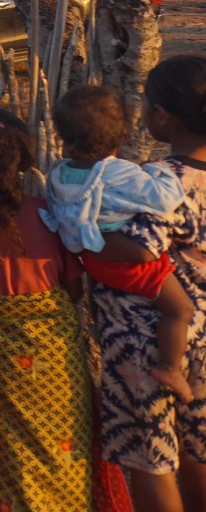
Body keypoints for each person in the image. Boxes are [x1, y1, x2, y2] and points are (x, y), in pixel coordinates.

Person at [0, 108, 123, 512]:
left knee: (7, 466)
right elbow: (73, 291)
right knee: (65, 459)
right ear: (24, 159)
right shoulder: (51, 216)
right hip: (59, 372)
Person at [97, 55, 206, 512]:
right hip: (202, 333)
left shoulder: (158, 181)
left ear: (163, 115)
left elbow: (141, 249)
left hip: (146, 341)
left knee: (151, 458)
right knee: (198, 447)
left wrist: (85, 242)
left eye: (144, 104)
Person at [42, 84, 193, 399]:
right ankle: (169, 367)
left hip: (93, 262)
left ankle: (102, 327)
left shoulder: (60, 174)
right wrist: (159, 170)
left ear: (66, 138)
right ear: (121, 136)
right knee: (180, 311)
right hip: (130, 266)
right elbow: (165, 198)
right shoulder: (119, 173)